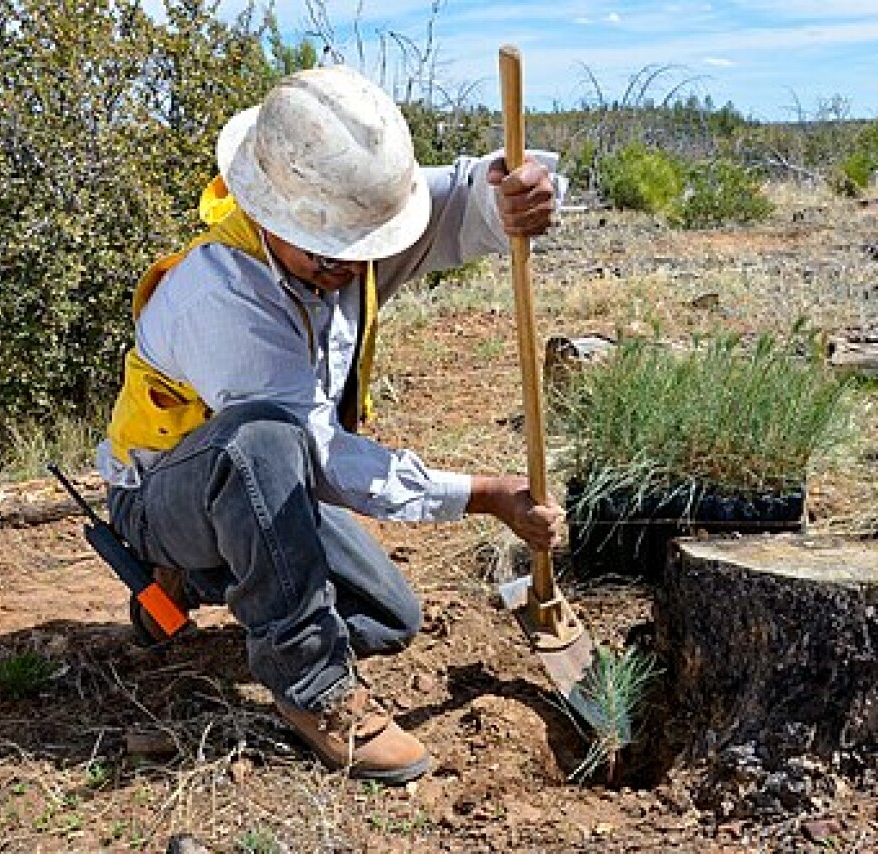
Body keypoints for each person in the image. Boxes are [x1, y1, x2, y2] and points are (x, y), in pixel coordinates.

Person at [95, 65, 565, 785]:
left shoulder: (345, 229)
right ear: (270, 213)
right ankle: (312, 687)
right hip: (163, 493)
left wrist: (511, 192)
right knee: (261, 439)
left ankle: (202, 575)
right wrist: (484, 494)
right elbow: (317, 455)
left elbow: (459, 201)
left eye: (362, 246)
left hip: (258, 488)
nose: (349, 265)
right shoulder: (221, 294)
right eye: (329, 250)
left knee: (387, 619)